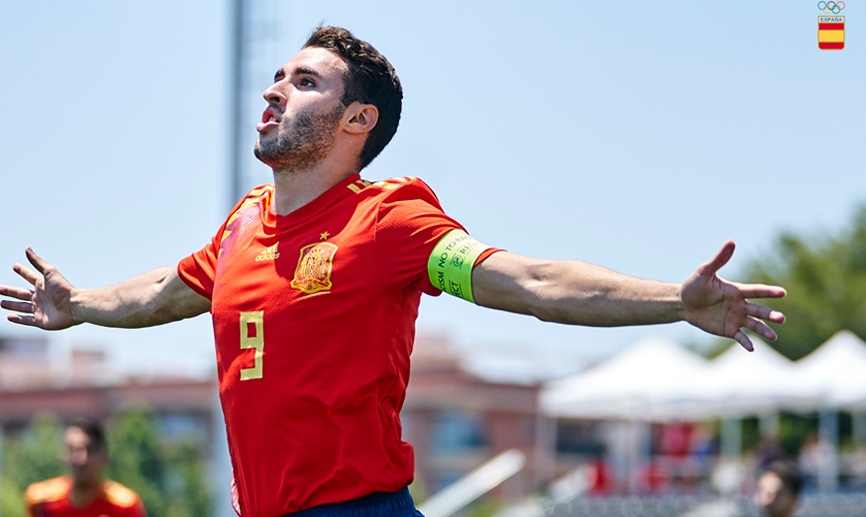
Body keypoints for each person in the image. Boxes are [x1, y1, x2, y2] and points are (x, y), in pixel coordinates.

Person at [1, 26, 786, 517]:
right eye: (278, 75)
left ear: (357, 120)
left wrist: (673, 301)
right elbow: (161, 294)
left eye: (305, 80)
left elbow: (534, 281)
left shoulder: (390, 218)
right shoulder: (242, 222)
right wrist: (80, 305)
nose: (276, 89)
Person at [23, 419, 146, 517]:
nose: (82, 459)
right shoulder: (41, 500)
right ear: (63, 455)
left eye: (89, 450)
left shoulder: (125, 505)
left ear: (105, 456)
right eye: (73, 450)